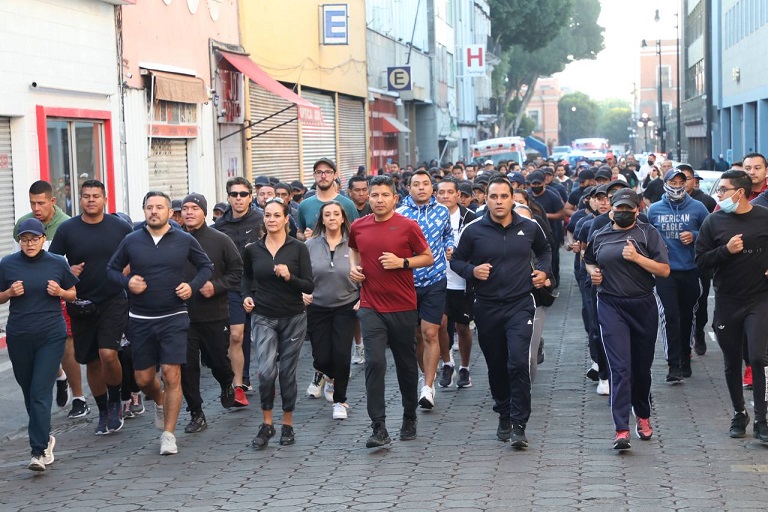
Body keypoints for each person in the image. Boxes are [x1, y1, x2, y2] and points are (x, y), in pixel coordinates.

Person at [107, 191, 214, 455]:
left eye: (159, 207)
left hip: (174, 316)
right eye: (149, 207)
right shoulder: (131, 240)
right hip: (141, 319)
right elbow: (111, 270)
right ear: (144, 211)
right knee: (143, 379)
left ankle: (168, 434)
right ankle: (158, 400)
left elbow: (206, 267)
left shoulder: (184, 239)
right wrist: (127, 282)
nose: (154, 211)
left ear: (169, 212)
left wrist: (192, 286)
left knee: (170, 372)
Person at [451, 177, 551, 449]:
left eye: (504, 196)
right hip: (487, 306)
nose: (498, 202)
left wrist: (544, 272)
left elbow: (544, 250)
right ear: (486, 199)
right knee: (496, 365)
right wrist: (472, 271)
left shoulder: (529, 226)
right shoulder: (473, 230)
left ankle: (519, 424)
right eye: (493, 197)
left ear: (512, 200)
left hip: (521, 304)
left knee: (518, 362)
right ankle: (504, 413)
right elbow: (456, 260)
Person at [348, 175, 433, 448]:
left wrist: (402, 262)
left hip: (403, 306)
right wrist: (354, 270)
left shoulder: (408, 226)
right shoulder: (358, 226)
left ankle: (409, 416)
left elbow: (428, 257)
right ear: (368, 198)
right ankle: (379, 427)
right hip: (370, 306)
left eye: (385, 195)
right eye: (374, 195)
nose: (379, 200)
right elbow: (353, 250)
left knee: (406, 364)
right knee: (374, 363)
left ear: (395, 198)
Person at [584, 189, 670, 450]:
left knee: (641, 369)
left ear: (637, 210)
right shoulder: (600, 235)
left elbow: (664, 270)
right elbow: (589, 260)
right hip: (610, 305)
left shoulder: (648, 233)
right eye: (618, 208)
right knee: (620, 368)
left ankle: (642, 414)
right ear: (611, 210)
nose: (623, 212)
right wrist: (594, 273)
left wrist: (637, 258)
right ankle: (621, 429)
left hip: (642, 304)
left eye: (628, 209)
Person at [49, 180, 132, 435]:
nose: (91, 200)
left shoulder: (120, 227)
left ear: (105, 199)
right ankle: (103, 410)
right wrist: (67, 271)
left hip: (113, 299)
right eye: (86, 196)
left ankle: (116, 401)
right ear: (80, 199)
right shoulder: (67, 229)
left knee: (108, 354)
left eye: (96, 196)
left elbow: (136, 254)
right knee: (92, 361)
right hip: (81, 303)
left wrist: (125, 272)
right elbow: (52, 263)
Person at [695, 170, 768, 443]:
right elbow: (700, 260)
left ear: (740, 192)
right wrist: (726, 250)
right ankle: (739, 413)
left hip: (760, 299)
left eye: (723, 189)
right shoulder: (713, 221)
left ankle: (762, 419)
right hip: (727, 301)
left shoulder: (764, 216)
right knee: (732, 360)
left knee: (758, 357)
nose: (719, 194)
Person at [1, 218, 78, 471]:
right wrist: (9, 293)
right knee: (29, 391)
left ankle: (38, 450)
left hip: (50, 335)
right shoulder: (7, 264)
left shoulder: (57, 262)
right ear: (19, 241)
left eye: (34, 239)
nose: (30, 244)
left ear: (43, 239)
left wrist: (60, 292)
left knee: (39, 392)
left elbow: (73, 294)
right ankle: (45, 436)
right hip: (19, 335)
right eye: (24, 239)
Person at [243, 198, 314, 449]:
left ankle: (287, 424)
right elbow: (246, 278)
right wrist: (246, 297)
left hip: (293, 316)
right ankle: (267, 424)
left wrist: (289, 276)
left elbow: (308, 285)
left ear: (286, 219)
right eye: (267, 215)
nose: (271, 219)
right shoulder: (253, 249)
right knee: (265, 372)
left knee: (286, 372)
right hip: (263, 316)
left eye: (276, 215)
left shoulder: (298, 248)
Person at [13, 180, 87, 419]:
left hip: (59, 292)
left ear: (52, 201)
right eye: (32, 203)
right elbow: (19, 258)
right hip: (31, 297)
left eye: (41, 203)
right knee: (39, 349)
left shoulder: (67, 225)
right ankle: (59, 377)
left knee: (66, 347)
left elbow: (76, 260)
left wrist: (69, 274)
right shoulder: (22, 225)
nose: (36, 208)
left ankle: (79, 398)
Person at [179, 194, 241, 433]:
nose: (189, 212)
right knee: (187, 367)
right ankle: (196, 412)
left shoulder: (220, 239)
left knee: (217, 361)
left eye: (195, 208)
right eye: (185, 208)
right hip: (182, 315)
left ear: (204, 212)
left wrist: (216, 286)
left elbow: (238, 272)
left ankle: (226, 381)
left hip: (213, 313)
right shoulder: (174, 240)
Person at [396, 170, 454, 409]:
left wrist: (449, 247)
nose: (421, 187)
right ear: (408, 188)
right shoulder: (399, 214)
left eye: (426, 184)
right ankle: (424, 374)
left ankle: (428, 388)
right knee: (417, 335)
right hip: (407, 281)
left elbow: (447, 235)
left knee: (431, 332)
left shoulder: (442, 211)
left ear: (432, 188)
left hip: (435, 280)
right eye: (416, 184)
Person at [647, 170, 709, 382]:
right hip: (665, 272)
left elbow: (711, 233)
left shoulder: (698, 208)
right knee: (670, 316)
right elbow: (647, 237)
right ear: (665, 183)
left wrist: (695, 235)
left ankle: (685, 357)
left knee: (687, 316)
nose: (677, 186)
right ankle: (673, 364)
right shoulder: (654, 209)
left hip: (690, 270)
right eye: (673, 182)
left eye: (681, 182)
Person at [305, 201, 360, 420]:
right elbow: (301, 274)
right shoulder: (310, 245)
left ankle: (340, 400)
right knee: (321, 357)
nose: (332, 218)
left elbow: (367, 272)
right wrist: (301, 293)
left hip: (346, 305)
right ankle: (328, 376)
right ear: (322, 219)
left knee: (341, 354)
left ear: (343, 217)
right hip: (317, 306)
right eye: (327, 214)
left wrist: (363, 296)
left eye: (336, 214)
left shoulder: (354, 244)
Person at [213, 177, 264, 407]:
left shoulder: (262, 219)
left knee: (266, 337)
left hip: (261, 286)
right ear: (228, 197)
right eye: (234, 194)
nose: (239, 198)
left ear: (250, 197)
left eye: (243, 194)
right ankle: (238, 386)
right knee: (236, 335)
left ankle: (267, 376)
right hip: (233, 286)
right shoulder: (219, 226)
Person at [436, 178, 476, 389]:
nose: (445, 196)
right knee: (441, 323)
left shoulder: (470, 218)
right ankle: (447, 363)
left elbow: (479, 246)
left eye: (449, 192)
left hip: (461, 281)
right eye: (441, 192)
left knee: (463, 327)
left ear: (458, 195)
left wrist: (461, 256)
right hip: (438, 279)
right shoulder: (432, 216)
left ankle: (465, 368)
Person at [297, 158, 359, 239]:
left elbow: (358, 233)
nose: (323, 176)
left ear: (335, 175)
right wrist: (305, 237)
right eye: (319, 172)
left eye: (328, 172)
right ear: (314, 175)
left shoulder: (347, 204)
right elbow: (299, 232)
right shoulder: (304, 205)